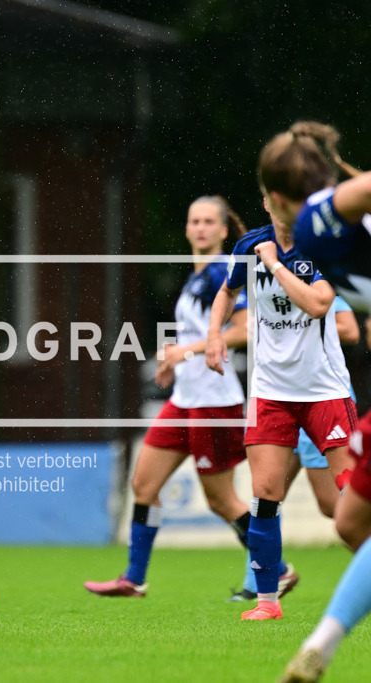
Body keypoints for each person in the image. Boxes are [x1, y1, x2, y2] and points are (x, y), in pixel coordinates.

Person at [83, 196, 296, 599]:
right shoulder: (196, 277)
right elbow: (196, 334)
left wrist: (188, 350)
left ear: (222, 231)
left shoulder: (221, 272)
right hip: (184, 397)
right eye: (193, 220)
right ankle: (134, 578)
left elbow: (244, 330)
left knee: (221, 500)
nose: (199, 227)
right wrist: (174, 360)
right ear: (186, 229)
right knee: (144, 484)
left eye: (208, 222)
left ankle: (278, 569)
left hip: (214, 400)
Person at [207, 139, 357, 625]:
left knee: (348, 497)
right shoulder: (249, 245)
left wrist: (274, 264)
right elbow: (226, 294)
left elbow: (317, 304)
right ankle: (267, 601)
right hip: (271, 392)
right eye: (276, 198)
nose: (284, 207)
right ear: (269, 199)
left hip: (324, 390)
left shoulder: (324, 246)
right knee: (265, 491)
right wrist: (214, 338)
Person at [242, 121, 371, 682]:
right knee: (350, 521)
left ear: (274, 194)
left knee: (345, 513)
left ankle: (323, 637)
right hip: (276, 392)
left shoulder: (318, 221)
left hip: (323, 392)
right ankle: (313, 630)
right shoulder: (306, 236)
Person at [284, 297, 360, 520]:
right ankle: (263, 557)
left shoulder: (317, 284)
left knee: (332, 504)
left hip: (321, 400)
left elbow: (350, 330)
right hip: (278, 400)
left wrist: (294, 330)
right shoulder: (260, 287)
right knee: (266, 493)